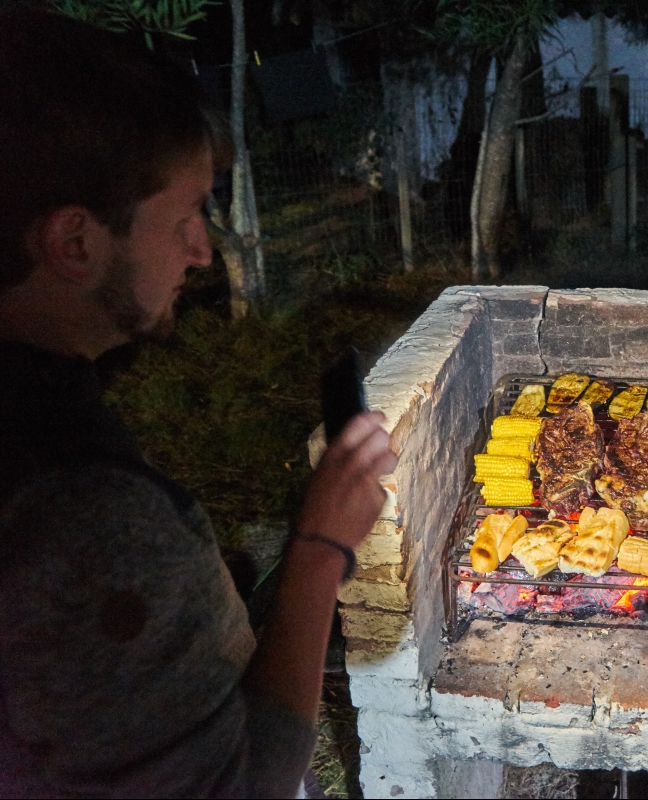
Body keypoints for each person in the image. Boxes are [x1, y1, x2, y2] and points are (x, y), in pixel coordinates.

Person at [0, 8, 398, 796]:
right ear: (75, 243)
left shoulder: (41, 406)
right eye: (183, 217)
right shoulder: (80, 514)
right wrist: (322, 550)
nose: (202, 251)